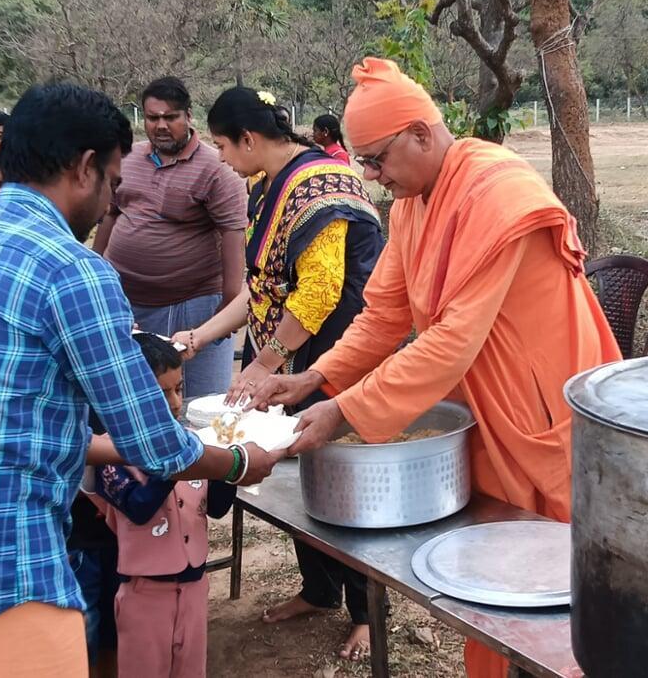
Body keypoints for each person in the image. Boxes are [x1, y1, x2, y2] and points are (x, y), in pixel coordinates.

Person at [0, 82, 282, 677]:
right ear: (86, 167)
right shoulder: (71, 269)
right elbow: (154, 442)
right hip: (6, 558)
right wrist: (242, 461)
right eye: (114, 184)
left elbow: (9, 417)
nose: (111, 203)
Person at [251, 58, 620, 677]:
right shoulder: (414, 204)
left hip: (546, 415)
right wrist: (317, 377)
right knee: (492, 583)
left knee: (559, 591)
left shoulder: (497, 192)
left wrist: (343, 411)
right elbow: (383, 317)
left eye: (376, 160)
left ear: (422, 133)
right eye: (362, 161)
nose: (369, 176)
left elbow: (449, 342)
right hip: (488, 412)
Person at [175, 87, 385, 660]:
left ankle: (367, 611)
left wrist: (265, 363)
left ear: (247, 138)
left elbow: (319, 289)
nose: (219, 157)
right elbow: (260, 289)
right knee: (293, 482)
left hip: (333, 359)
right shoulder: (265, 187)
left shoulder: (324, 185)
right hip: (283, 354)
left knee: (342, 478)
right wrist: (204, 336)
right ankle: (318, 590)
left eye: (220, 144)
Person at [87, 333, 234, 678]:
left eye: (178, 389)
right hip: (144, 595)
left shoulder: (194, 443)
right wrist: (178, 461)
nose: (174, 403)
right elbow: (138, 506)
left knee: (191, 670)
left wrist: (229, 463)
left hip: (195, 587)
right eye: (161, 392)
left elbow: (215, 508)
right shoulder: (108, 452)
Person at [92, 76, 246, 399]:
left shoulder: (216, 169)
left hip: (191, 305)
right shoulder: (128, 158)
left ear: (188, 116)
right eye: (153, 118)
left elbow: (233, 240)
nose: (161, 125)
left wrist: (225, 316)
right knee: (134, 399)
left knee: (197, 404)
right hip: (127, 302)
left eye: (170, 117)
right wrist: (97, 273)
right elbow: (110, 214)